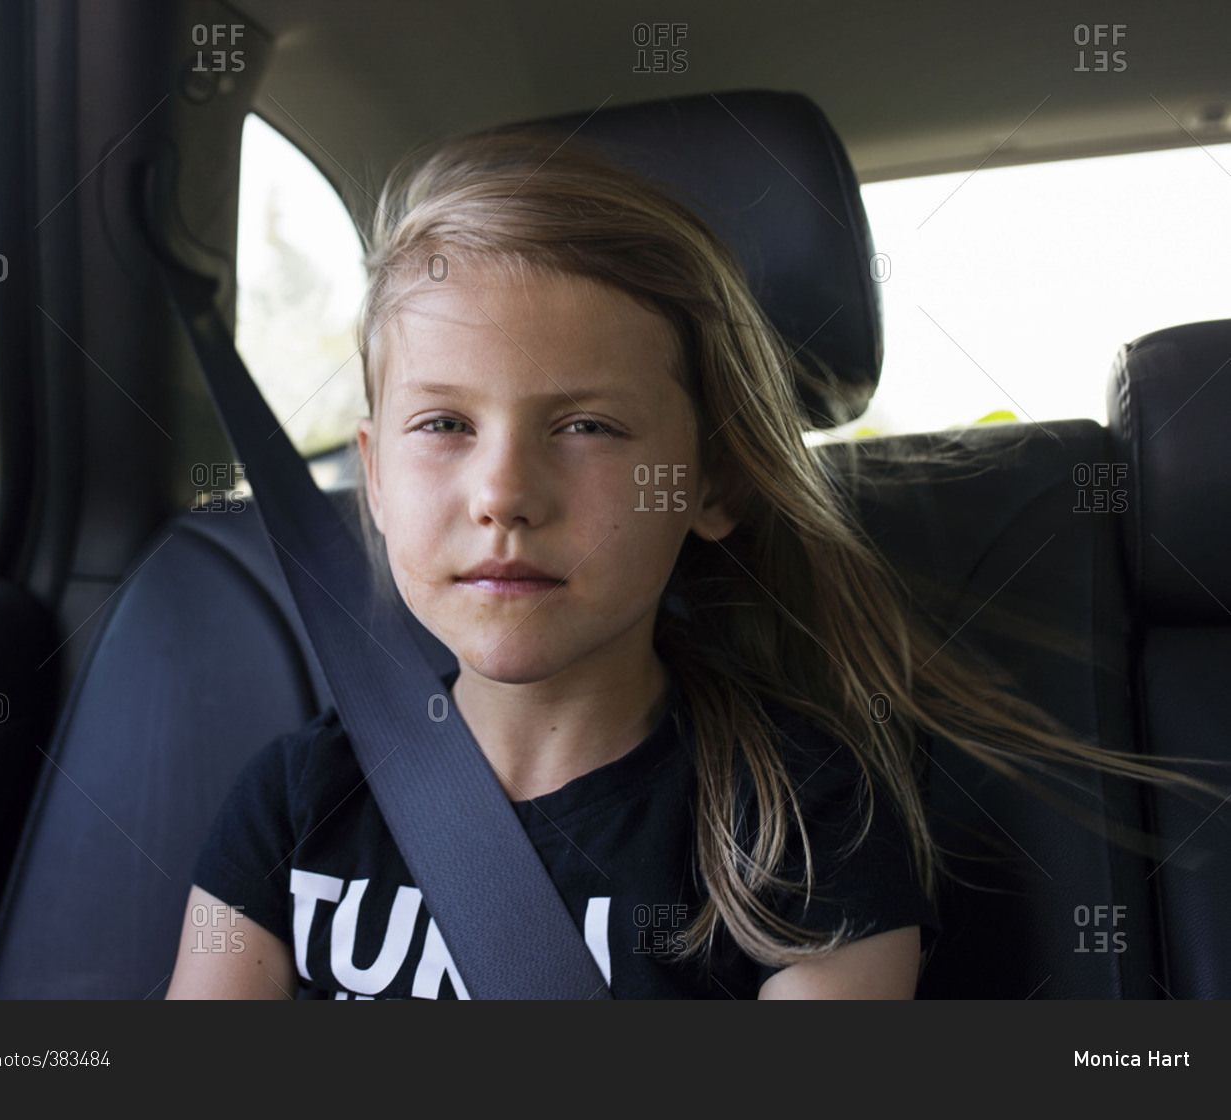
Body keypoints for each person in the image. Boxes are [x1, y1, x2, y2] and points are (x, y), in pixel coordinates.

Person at [165, 128, 1217, 1000]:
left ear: (712, 485)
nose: (503, 493)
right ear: (376, 480)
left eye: (585, 425)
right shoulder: (298, 799)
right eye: (443, 422)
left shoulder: (800, 824)